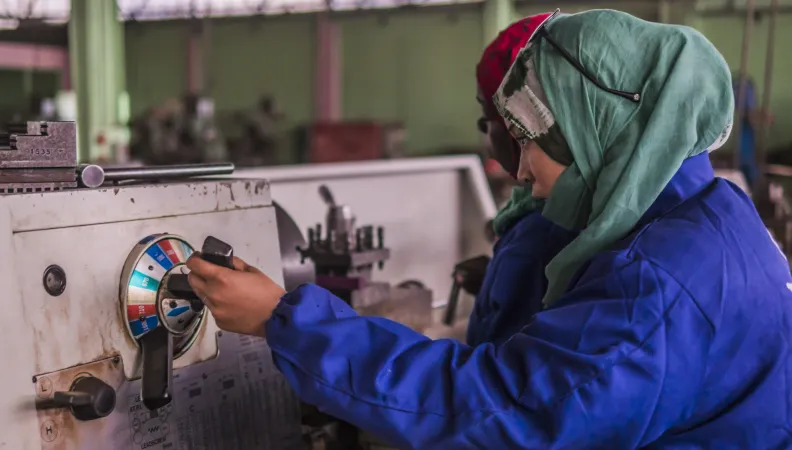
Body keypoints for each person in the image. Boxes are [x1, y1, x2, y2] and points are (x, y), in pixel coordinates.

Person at [187, 9, 792, 449]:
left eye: (531, 141)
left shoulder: (656, 283)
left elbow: (503, 409)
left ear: (599, 127)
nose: (522, 168)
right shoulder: (716, 215)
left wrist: (283, 321)